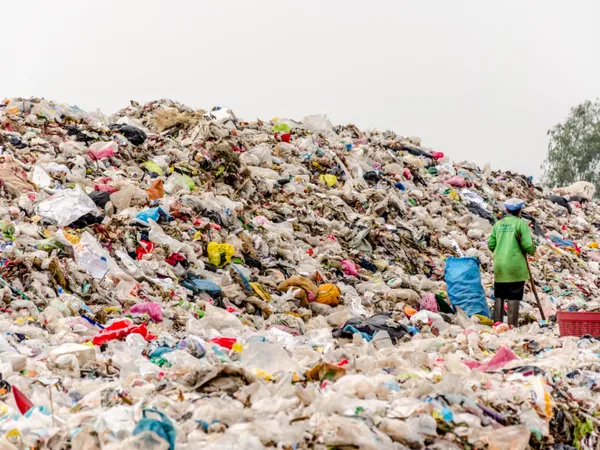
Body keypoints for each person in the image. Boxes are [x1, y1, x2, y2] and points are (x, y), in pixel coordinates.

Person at [487, 198, 536, 327]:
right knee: (514, 294)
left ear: (507, 210)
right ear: (519, 211)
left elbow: (491, 244)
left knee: (500, 294)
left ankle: (497, 324)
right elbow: (527, 245)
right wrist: (532, 250)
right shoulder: (520, 224)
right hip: (515, 265)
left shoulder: (498, 224)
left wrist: (500, 251)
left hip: (500, 265)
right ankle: (511, 326)